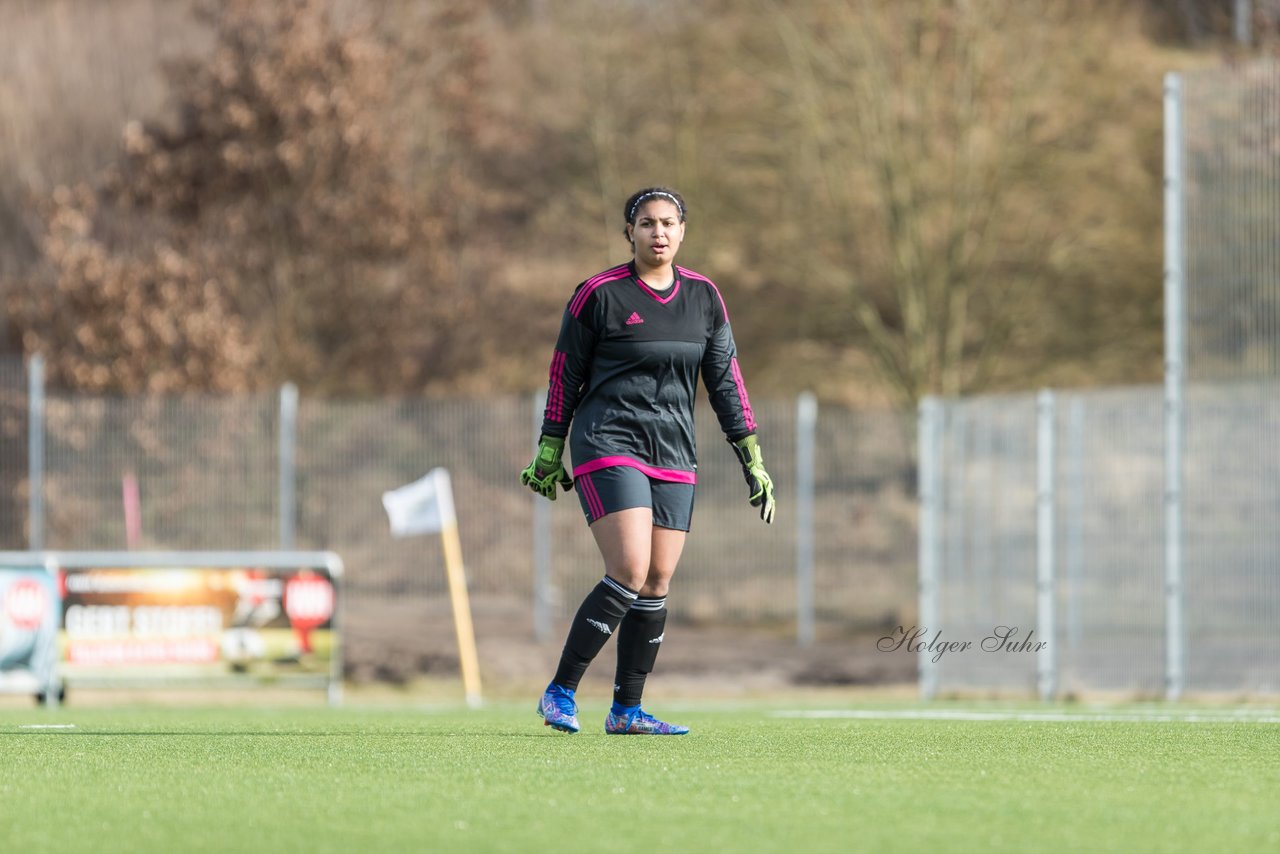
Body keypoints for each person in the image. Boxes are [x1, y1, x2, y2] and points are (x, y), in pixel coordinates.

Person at [520, 186, 776, 735]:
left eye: (668, 223)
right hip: (608, 440)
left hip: (674, 450)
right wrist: (549, 445)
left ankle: (627, 710)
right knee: (630, 570)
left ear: (683, 232)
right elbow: (565, 372)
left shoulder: (705, 297)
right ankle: (560, 693)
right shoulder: (599, 294)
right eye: (646, 224)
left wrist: (750, 454)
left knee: (656, 581)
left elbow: (726, 380)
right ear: (629, 233)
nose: (658, 232)